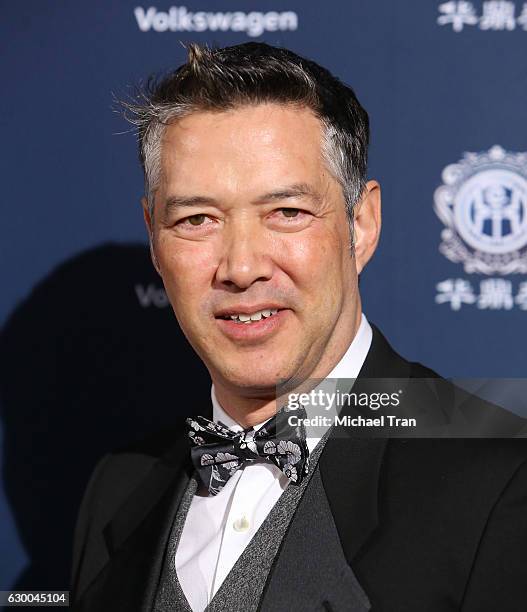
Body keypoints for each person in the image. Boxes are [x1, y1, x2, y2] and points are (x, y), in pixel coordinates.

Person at [70, 42, 527, 612]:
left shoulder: (503, 478)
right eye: (196, 219)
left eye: (286, 212)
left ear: (361, 223)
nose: (241, 267)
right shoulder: (118, 490)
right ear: (154, 239)